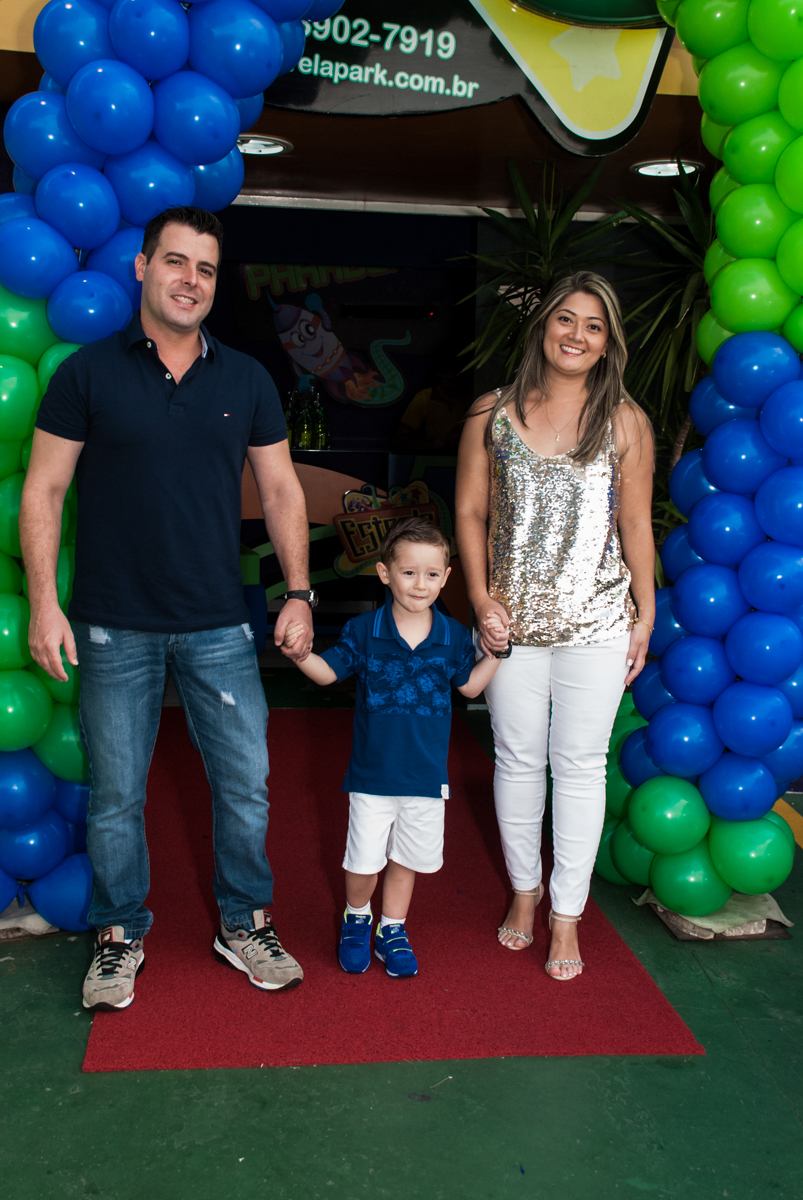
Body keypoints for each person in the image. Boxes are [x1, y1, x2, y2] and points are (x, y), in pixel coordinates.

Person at [20, 206, 316, 1011]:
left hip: (219, 622)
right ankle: (119, 933)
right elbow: (44, 490)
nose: (191, 280)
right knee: (117, 794)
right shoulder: (86, 374)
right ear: (142, 267)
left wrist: (298, 592)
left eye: (206, 269)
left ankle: (244, 924)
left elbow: (281, 489)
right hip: (112, 622)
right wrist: (45, 605)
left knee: (246, 784)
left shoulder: (246, 379)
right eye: (177, 262)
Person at [455, 271, 654, 982]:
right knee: (515, 760)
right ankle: (524, 890)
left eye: (593, 325)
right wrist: (480, 599)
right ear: (542, 326)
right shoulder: (491, 413)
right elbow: (470, 513)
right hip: (509, 625)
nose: (576, 334)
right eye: (565, 318)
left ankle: (566, 914)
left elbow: (635, 525)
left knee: (578, 767)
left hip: (597, 623)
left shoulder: (625, 421)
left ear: (608, 343)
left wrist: (646, 613)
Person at [283, 517, 501, 978]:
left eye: (432, 574)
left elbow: (469, 687)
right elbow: (330, 673)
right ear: (385, 573)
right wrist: (302, 657)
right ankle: (357, 917)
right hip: (372, 776)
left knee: (406, 859)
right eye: (409, 572)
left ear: (446, 577)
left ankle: (393, 928)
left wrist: (496, 654)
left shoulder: (453, 636)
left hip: (425, 777)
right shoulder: (365, 630)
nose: (420, 584)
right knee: (363, 860)